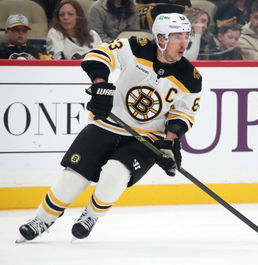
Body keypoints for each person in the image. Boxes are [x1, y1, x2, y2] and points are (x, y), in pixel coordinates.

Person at [16, 12, 202, 243]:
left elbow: (183, 112)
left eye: (186, 35)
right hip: (107, 124)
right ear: (161, 38)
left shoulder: (191, 77)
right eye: (176, 37)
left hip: (145, 138)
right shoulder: (136, 47)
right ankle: (42, 220)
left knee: (115, 174)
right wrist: (100, 86)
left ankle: (90, 216)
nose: (184, 43)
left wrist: (169, 143)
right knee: (73, 178)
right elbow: (98, 55)